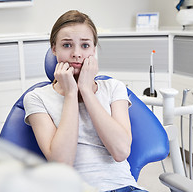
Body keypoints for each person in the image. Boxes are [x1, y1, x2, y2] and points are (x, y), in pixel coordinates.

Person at [24, 10, 148, 192]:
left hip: (125, 187)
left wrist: (86, 91)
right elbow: (62, 164)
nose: (76, 54)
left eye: (85, 45)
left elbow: (121, 152)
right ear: (53, 48)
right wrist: (71, 94)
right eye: (66, 45)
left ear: (93, 50)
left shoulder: (114, 87)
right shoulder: (36, 98)